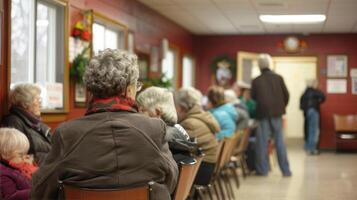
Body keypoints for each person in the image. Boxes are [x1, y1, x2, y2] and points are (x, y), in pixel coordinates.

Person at [31, 49, 178, 200]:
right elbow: (171, 180)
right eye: (137, 86)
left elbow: (41, 189)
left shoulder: (66, 134)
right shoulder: (155, 129)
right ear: (129, 90)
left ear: (90, 90)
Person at [251, 54, 292, 177]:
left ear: (259, 66)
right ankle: (286, 171)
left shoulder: (256, 80)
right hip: (277, 113)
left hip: (262, 114)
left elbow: (253, 98)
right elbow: (286, 95)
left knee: (262, 143)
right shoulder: (279, 78)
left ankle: (262, 171)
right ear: (269, 65)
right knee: (280, 142)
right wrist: (281, 107)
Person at [174, 87, 220, 185]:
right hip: (207, 168)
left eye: (175, 106)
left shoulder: (189, 124)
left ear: (182, 107)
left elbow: (179, 149)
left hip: (200, 171)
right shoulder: (203, 116)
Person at [137, 86, 195, 163]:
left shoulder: (160, 138)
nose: (138, 115)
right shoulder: (177, 129)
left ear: (157, 112)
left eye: (142, 110)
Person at [1, 83, 51, 166]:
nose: (40, 104)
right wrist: (54, 159)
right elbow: (16, 157)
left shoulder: (36, 122)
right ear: (25, 103)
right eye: (38, 100)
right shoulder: (13, 122)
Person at [0, 128, 38, 200]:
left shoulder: (15, 166)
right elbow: (10, 196)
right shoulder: (3, 174)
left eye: (26, 153)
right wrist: (36, 191)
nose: (24, 158)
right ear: (5, 153)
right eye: (20, 155)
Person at [300, 79, 326, 155]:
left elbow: (301, 105)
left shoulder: (305, 92)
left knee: (308, 130)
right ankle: (312, 149)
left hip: (307, 112)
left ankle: (307, 147)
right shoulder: (314, 91)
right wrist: (319, 101)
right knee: (313, 131)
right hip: (314, 111)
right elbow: (323, 96)